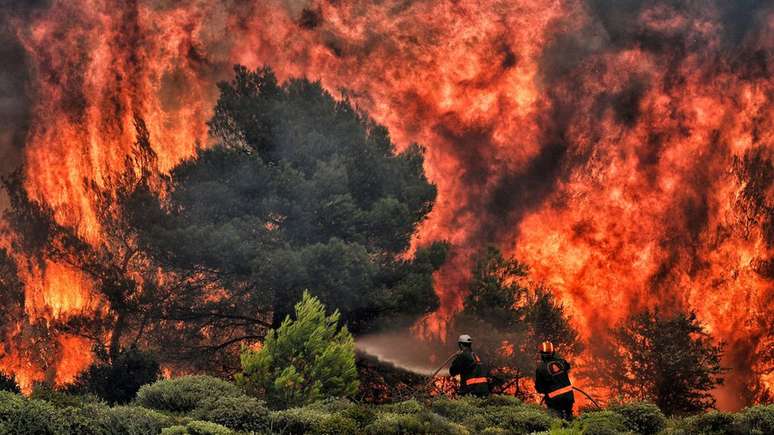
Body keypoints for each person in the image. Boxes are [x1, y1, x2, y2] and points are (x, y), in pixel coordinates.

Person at [534, 341, 574, 420]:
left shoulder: (540, 368)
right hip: (568, 396)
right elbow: (568, 367)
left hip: (554, 400)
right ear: (553, 352)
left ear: (541, 354)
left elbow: (540, 388)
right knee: (569, 417)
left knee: (556, 420)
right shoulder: (562, 362)